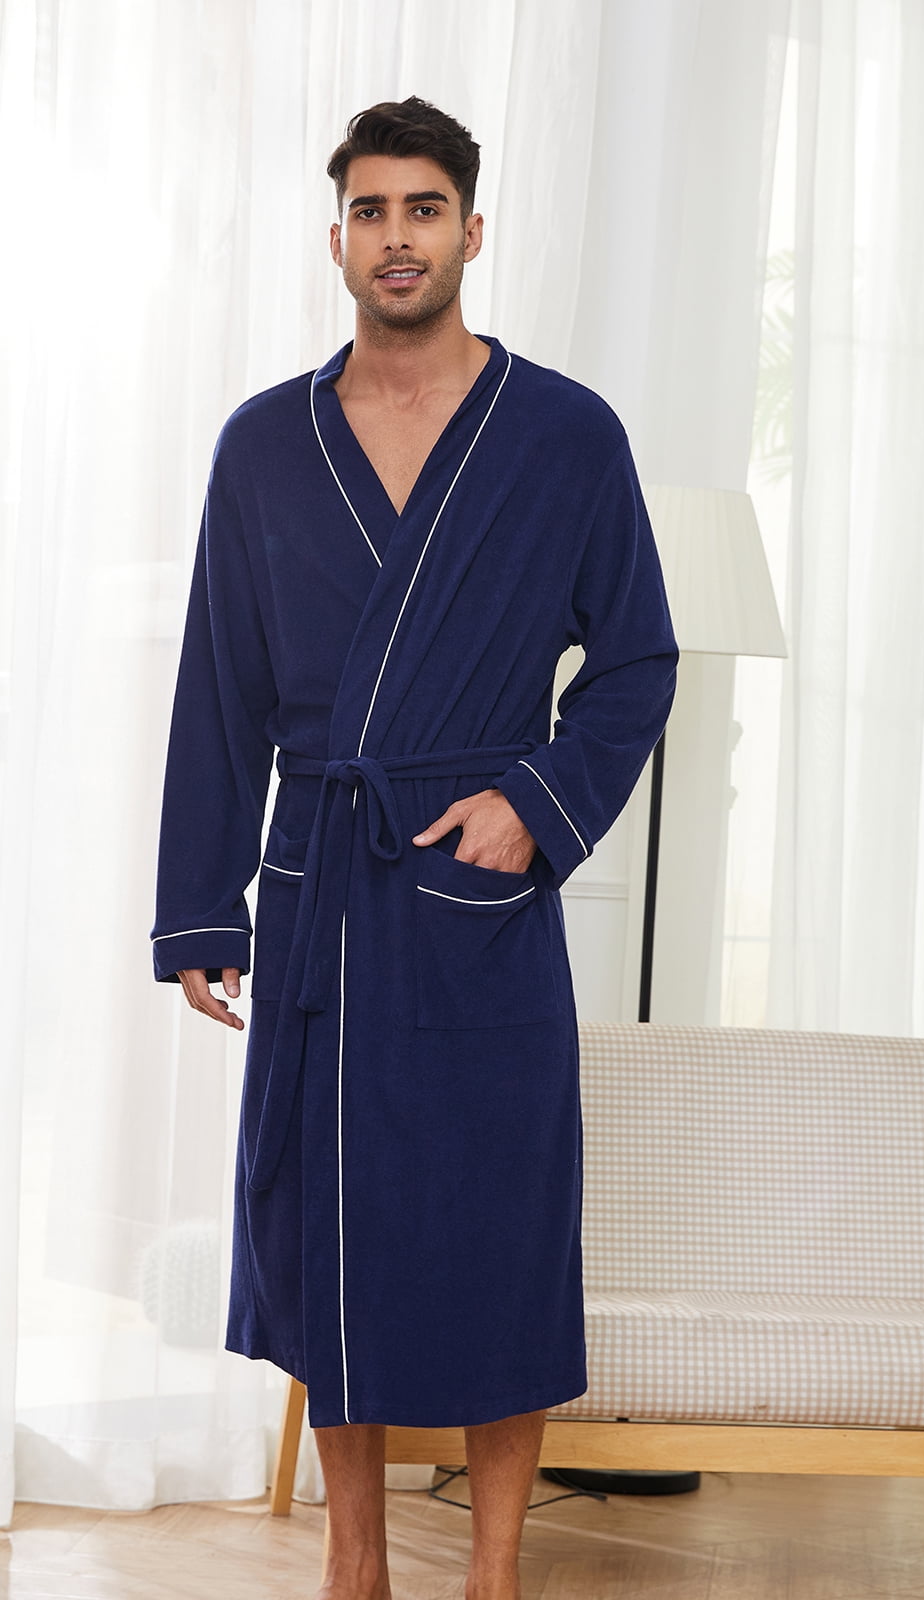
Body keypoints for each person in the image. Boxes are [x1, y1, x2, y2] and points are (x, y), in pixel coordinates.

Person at [150, 96, 678, 1600]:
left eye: (425, 208)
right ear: (337, 240)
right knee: (333, 1233)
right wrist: (202, 907)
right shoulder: (265, 444)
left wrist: (537, 806)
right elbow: (219, 687)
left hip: (478, 894)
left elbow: (636, 661)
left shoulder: (565, 436)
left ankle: (495, 1573)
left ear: (472, 231)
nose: (398, 237)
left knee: (501, 1233)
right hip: (321, 885)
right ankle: (356, 1566)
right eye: (372, 211)